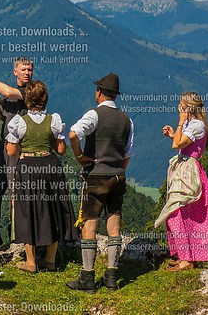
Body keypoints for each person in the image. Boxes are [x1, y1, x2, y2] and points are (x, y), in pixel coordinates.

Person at [67, 72, 134, 293]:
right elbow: (127, 154)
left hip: (96, 176)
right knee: (114, 225)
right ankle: (112, 277)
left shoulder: (94, 115)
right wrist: (117, 171)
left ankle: (87, 278)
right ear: (115, 95)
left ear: (99, 92)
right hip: (117, 177)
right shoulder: (127, 120)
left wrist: (79, 157)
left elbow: (73, 134)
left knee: (90, 223)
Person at [6, 80, 77, 273]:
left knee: (27, 210)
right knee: (52, 209)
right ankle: (50, 260)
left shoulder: (19, 122)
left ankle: (31, 262)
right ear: (45, 99)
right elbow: (61, 150)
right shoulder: (53, 120)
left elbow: (11, 151)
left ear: (27, 100)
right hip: (50, 166)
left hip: (28, 168)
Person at [155, 92, 208, 271]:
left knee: (175, 213)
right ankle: (185, 256)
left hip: (188, 172)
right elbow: (180, 142)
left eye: (181, 105)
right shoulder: (192, 124)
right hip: (184, 169)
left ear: (189, 107)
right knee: (181, 214)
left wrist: (180, 122)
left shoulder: (196, 125)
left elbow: (177, 146)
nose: (179, 108)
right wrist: (173, 134)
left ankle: (187, 259)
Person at [0, 57, 33, 245]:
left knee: (16, 192)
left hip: (21, 148)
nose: (27, 73)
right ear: (15, 72)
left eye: (29, 70)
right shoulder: (10, 99)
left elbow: (7, 91)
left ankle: (18, 238)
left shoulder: (31, 91)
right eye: (23, 69)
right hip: (4, 146)